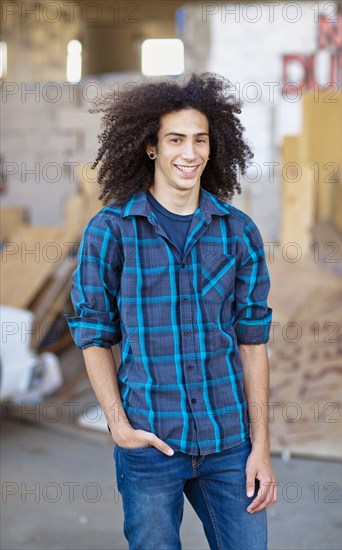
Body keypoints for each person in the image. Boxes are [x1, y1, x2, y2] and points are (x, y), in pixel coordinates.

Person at [65, 72, 277, 550]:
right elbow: (94, 334)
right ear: (151, 148)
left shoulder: (238, 232)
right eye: (175, 139)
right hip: (150, 442)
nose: (190, 153)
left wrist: (260, 446)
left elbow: (253, 342)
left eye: (200, 140)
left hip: (228, 443)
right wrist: (119, 425)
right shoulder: (111, 232)